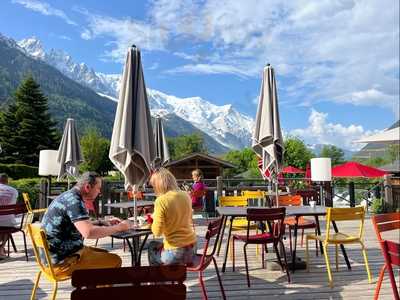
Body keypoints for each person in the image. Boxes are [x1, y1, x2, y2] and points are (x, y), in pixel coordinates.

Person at [41, 171, 131, 276]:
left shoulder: (68, 196)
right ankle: (96, 291)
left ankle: (91, 288)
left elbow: (77, 224)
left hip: (52, 258)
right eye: (98, 188)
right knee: (115, 260)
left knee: (104, 254)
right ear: (88, 187)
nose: (99, 192)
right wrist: (120, 227)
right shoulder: (75, 202)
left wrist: (101, 222)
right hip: (62, 263)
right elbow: (88, 233)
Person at [147, 168, 197, 266]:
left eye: (153, 186)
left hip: (175, 252)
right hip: (192, 249)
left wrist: (152, 222)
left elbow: (157, 232)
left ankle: (160, 279)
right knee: (157, 245)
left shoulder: (161, 201)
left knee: (151, 247)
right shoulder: (185, 195)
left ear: (157, 185)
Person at [0, 173, 18, 258]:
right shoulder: (14, 190)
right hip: (8, 223)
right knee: (6, 223)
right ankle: (1, 247)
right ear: (7, 181)